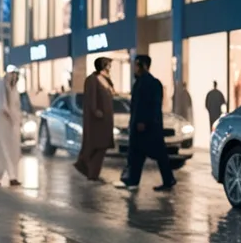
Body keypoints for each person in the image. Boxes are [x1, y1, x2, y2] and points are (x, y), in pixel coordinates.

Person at [122, 54, 177, 192]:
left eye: (136, 65)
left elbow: (153, 106)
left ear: (144, 66)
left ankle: (168, 180)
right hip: (141, 126)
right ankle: (133, 180)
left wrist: (143, 121)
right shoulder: (139, 82)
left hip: (148, 128)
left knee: (157, 154)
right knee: (137, 154)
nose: (134, 68)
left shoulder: (152, 83)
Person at [75, 57, 115, 182]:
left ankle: (93, 173)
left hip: (105, 120)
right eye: (108, 65)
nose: (109, 67)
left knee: (101, 147)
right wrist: (95, 111)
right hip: (96, 122)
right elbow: (91, 99)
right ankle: (88, 170)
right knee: (94, 145)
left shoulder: (106, 80)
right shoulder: (92, 80)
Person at [0, 70, 23, 187]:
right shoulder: (2, 87)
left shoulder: (14, 90)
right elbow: (2, 105)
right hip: (3, 126)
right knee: (3, 151)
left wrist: (18, 119)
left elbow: (16, 106)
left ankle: (12, 176)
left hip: (13, 127)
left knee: (13, 152)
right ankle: (4, 177)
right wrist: (11, 117)